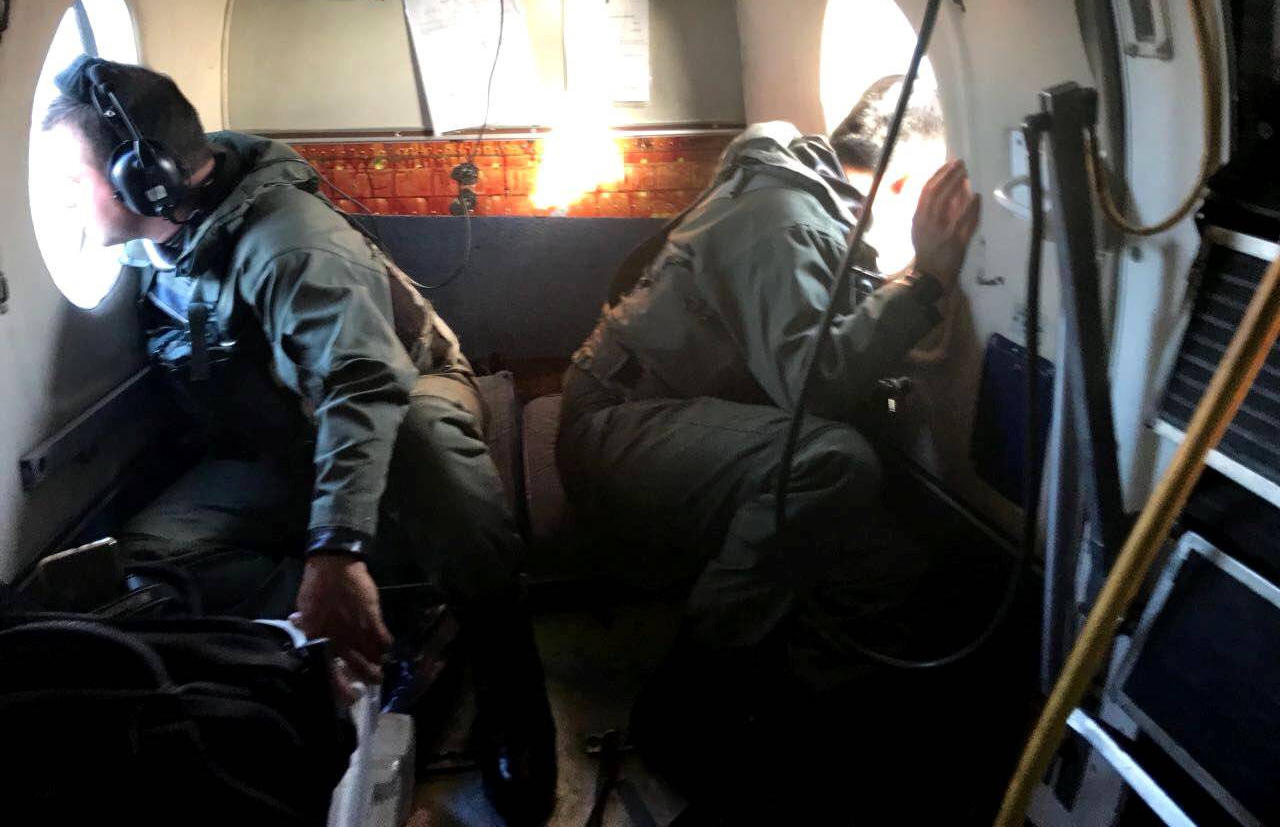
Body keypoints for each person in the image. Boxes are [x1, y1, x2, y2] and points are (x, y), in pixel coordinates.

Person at [40, 56, 556, 826]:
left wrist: (335, 549)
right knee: (150, 568)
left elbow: (365, 383)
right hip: (283, 445)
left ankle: (505, 665)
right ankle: (378, 628)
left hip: (400, 397)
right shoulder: (169, 240)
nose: (64, 201)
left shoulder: (291, 245)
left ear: (143, 180)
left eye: (73, 180)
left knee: (422, 440)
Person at [556, 97, 980, 777]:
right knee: (831, 461)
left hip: (663, 416)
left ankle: (806, 708)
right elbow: (814, 389)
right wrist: (925, 277)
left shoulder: (798, 197)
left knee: (887, 562)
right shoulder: (781, 220)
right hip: (618, 428)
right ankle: (690, 699)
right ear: (905, 185)